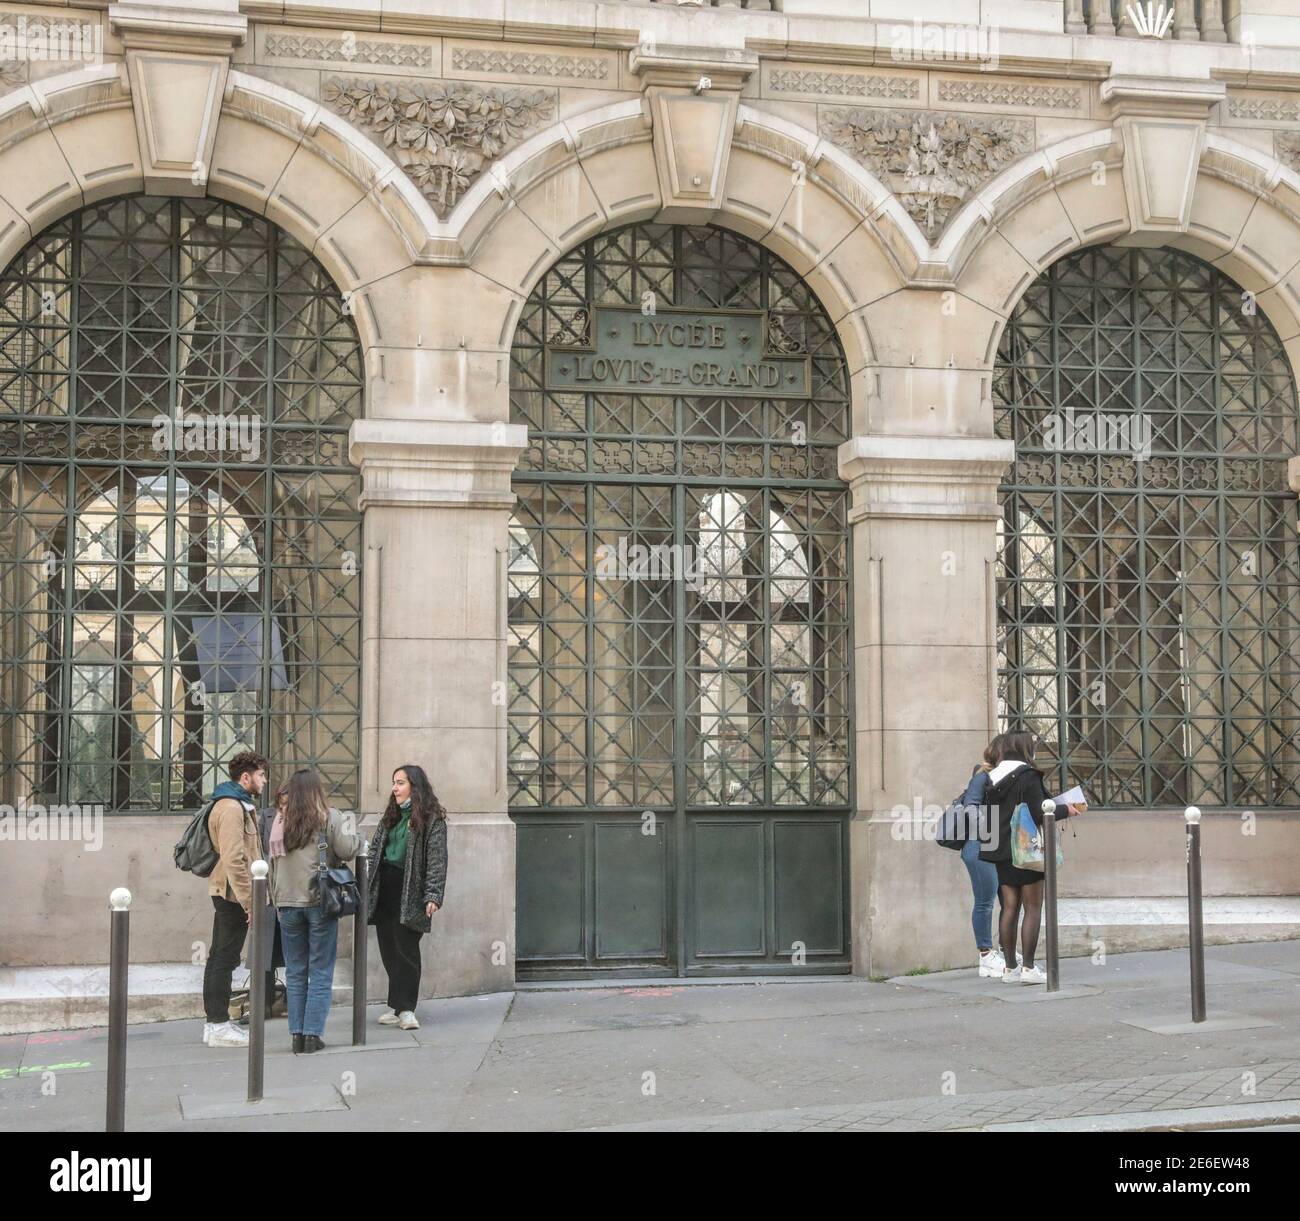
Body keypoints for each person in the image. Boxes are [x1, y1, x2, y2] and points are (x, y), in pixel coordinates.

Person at [268, 769, 363, 1054]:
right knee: (321, 970)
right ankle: (312, 1035)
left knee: (296, 971)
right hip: (319, 901)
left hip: (286, 903)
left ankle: (296, 1034)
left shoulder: (279, 822)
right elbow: (347, 850)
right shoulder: (328, 816)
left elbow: (271, 864)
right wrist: (357, 837)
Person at [979, 730, 1084, 983]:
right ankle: (1028, 968)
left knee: (1009, 908)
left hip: (1002, 852)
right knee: (1033, 908)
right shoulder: (1028, 776)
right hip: (1027, 851)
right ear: (1025, 750)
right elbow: (1041, 812)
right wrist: (1067, 809)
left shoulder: (991, 777)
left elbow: (993, 816)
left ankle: (1010, 969)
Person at [367, 764, 448, 1030]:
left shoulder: (432, 819)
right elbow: (375, 851)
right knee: (389, 949)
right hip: (384, 889)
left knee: (407, 950)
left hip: (410, 891)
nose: (395, 788)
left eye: (400, 783)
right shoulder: (390, 816)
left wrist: (432, 895)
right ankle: (396, 1004)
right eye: (394, 783)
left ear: (414, 785)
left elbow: (437, 860)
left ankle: (408, 1009)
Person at [202, 750, 268, 1047]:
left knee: (220, 957)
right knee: (224, 959)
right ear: (246, 777)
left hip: (231, 893)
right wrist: (249, 901)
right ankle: (217, 1025)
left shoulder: (237, 803)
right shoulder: (231, 808)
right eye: (261, 775)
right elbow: (234, 858)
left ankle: (215, 1024)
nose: (264, 781)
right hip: (232, 895)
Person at [957, 734, 1003, 978]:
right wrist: (988, 830)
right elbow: (971, 806)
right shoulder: (982, 777)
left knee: (1006, 900)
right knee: (985, 901)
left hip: (998, 847)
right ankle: (985, 956)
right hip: (978, 846)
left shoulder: (1005, 777)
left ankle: (1004, 952)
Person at [255, 782, 289, 1018]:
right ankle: (263, 1004)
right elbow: (257, 850)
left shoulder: (302, 818)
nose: (285, 804)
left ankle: (288, 1001)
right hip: (267, 889)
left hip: (290, 892)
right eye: (282, 800)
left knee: (293, 951)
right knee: (264, 951)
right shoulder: (265, 816)